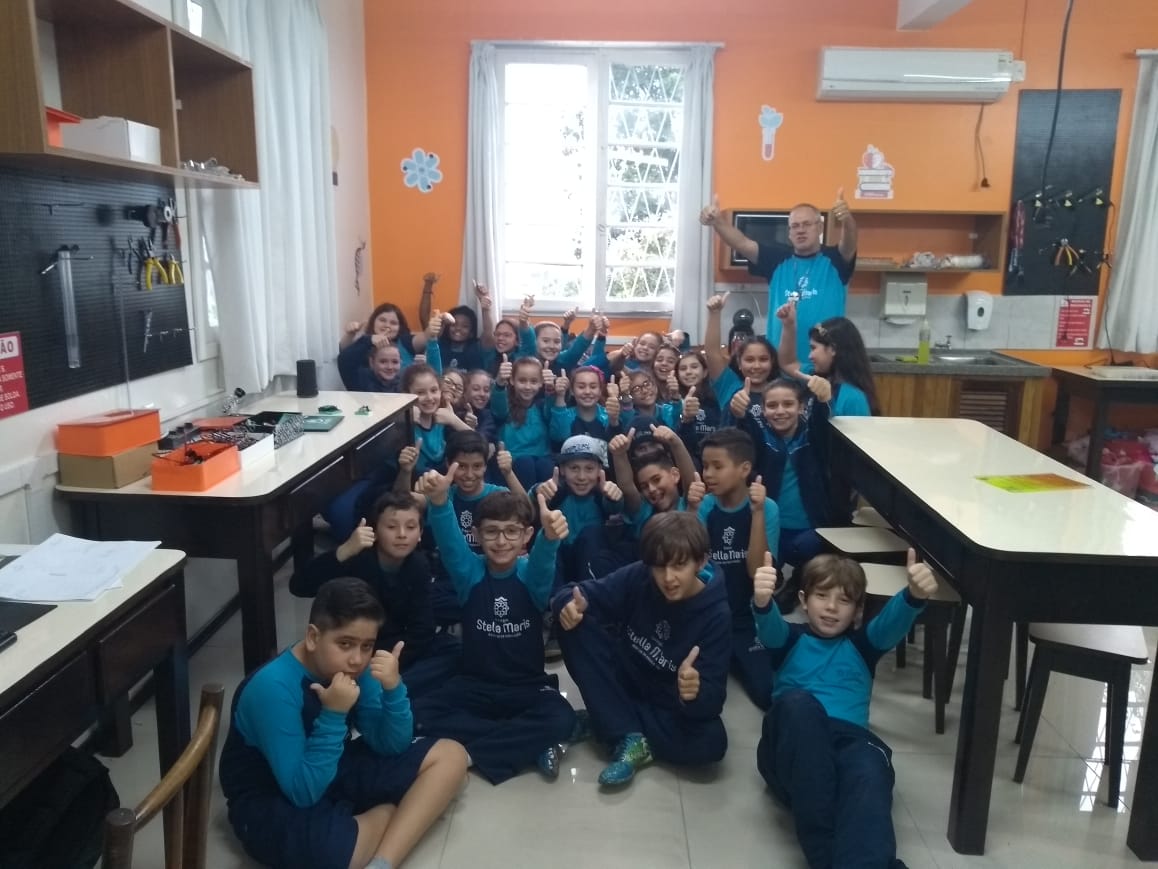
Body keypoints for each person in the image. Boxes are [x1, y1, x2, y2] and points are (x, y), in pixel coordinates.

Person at [219, 577, 468, 869]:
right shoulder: (272, 688)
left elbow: (391, 744)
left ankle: (382, 862)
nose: (357, 659)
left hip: (333, 763)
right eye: (345, 644)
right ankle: (398, 813)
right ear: (313, 637)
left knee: (451, 756)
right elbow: (302, 792)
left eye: (367, 646)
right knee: (334, 854)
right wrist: (334, 714)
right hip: (273, 794)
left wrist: (393, 689)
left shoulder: (357, 668)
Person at [752, 550, 939, 869]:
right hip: (792, 748)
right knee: (799, 704)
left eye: (844, 600)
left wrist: (914, 595)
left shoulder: (862, 646)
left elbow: (891, 623)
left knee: (870, 763)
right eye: (822, 595)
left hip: (849, 745)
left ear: (858, 611)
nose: (831, 607)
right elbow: (770, 630)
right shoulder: (790, 640)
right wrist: (762, 601)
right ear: (803, 599)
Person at [408, 478, 578, 785]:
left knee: (562, 717)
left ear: (526, 535)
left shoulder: (531, 577)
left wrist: (549, 538)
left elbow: (543, 562)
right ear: (477, 534)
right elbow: (450, 542)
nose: (501, 541)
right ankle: (527, 743)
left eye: (511, 531)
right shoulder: (469, 573)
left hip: (526, 687)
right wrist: (440, 501)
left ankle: (470, 755)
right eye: (491, 532)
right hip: (474, 684)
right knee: (417, 714)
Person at [553, 511, 730, 787]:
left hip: (666, 702)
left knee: (712, 742)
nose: (668, 577)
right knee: (571, 623)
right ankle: (625, 731)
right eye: (659, 566)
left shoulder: (717, 615)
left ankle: (611, 723)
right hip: (626, 676)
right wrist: (568, 604)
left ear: (701, 561)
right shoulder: (640, 575)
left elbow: (712, 700)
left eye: (679, 565)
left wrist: (694, 692)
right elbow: (580, 592)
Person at [290, 492, 460, 699]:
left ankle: (384, 688)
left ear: (420, 533)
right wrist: (343, 551)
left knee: (456, 652)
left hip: (394, 651)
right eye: (391, 527)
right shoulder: (358, 556)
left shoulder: (418, 565)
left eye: (410, 527)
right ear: (375, 531)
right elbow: (299, 587)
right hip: (352, 650)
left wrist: (390, 664)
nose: (402, 534)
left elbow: (422, 630)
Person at [701, 193, 858, 370]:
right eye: (795, 226)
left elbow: (850, 241)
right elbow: (741, 243)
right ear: (789, 233)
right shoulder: (777, 260)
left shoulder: (836, 260)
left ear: (820, 227)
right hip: (781, 366)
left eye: (807, 224)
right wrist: (717, 221)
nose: (800, 230)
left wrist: (847, 220)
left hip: (827, 366)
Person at [686, 428, 780, 709]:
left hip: (747, 619)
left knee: (767, 692)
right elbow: (688, 566)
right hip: (708, 615)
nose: (708, 474)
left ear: (744, 469)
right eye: (705, 466)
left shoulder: (768, 508)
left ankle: (736, 655)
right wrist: (691, 510)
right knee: (691, 690)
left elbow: (756, 571)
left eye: (717, 466)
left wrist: (757, 513)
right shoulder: (704, 506)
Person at [736, 376, 846, 598]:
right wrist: (738, 414)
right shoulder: (761, 438)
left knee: (811, 561)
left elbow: (822, 422)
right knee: (759, 578)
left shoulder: (812, 437)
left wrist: (824, 400)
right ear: (763, 410)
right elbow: (741, 437)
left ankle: (800, 577)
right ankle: (780, 573)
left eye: (788, 404)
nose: (780, 411)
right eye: (772, 405)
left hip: (809, 531)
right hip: (772, 529)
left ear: (801, 407)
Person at [776, 302, 879, 417]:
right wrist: (789, 325)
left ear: (833, 349)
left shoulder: (852, 398)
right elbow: (788, 363)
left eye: (813, 348)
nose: (810, 356)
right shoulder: (815, 376)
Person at [704, 293, 779, 418]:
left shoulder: (780, 390)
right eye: (749, 360)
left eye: (763, 359)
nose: (757, 366)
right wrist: (715, 313)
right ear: (739, 363)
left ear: (772, 361)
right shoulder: (729, 385)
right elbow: (712, 353)